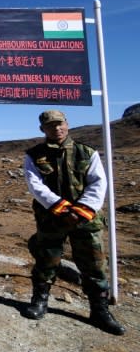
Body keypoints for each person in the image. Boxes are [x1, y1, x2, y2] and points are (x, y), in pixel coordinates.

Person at [22, 110, 124, 335]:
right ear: (42, 129)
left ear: (67, 125)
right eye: (50, 126)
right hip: (51, 218)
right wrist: (61, 207)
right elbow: (35, 185)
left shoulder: (87, 153)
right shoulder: (33, 155)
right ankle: (40, 300)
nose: (56, 129)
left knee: (95, 265)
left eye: (59, 124)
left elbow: (98, 183)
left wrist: (80, 210)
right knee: (46, 260)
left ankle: (100, 310)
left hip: (86, 220)